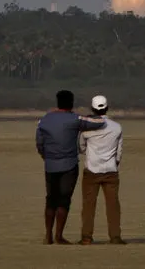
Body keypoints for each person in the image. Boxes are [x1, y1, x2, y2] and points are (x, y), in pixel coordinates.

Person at [35, 90, 106, 245]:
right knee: (64, 200)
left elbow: (39, 142)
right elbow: (99, 122)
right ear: (71, 103)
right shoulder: (75, 119)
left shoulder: (45, 119)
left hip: (50, 165)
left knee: (51, 199)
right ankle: (59, 236)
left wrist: (45, 155)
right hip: (69, 165)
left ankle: (48, 235)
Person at [78, 95, 126, 245]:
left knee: (88, 205)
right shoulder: (117, 127)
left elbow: (81, 147)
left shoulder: (87, 128)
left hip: (92, 170)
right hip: (111, 170)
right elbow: (119, 151)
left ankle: (86, 237)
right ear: (107, 107)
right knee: (113, 205)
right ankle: (115, 236)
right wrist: (114, 162)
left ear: (92, 108)